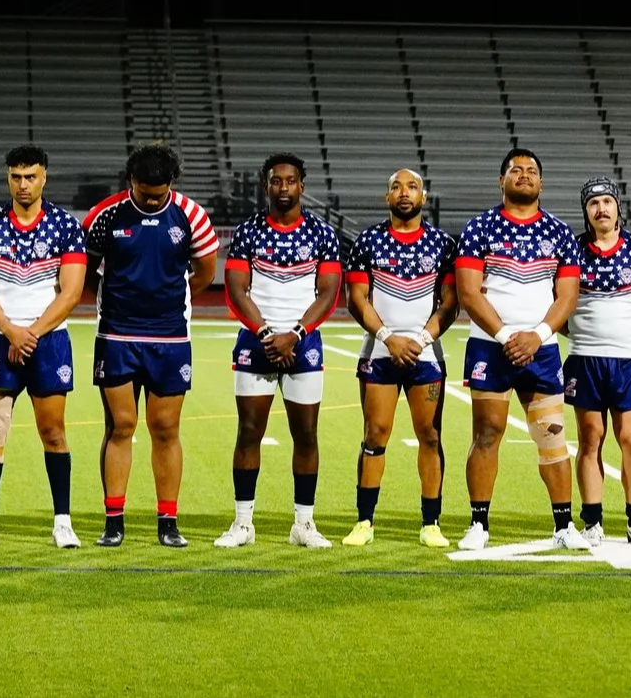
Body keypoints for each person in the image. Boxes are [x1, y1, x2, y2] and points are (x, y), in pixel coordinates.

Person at [82, 142, 220, 547]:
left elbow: (204, 271)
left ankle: (168, 522)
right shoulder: (106, 215)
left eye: (159, 194)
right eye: (145, 193)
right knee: (121, 426)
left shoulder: (190, 215)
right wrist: (118, 300)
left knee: (165, 428)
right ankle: (114, 521)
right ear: (131, 182)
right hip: (117, 335)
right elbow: (86, 272)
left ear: (171, 185)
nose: (152, 199)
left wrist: (168, 300)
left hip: (170, 337)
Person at [453, 148, 585, 551]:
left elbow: (567, 295)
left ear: (541, 183)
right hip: (491, 346)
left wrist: (539, 334)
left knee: (551, 435)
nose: (524, 176)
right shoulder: (480, 228)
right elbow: (468, 293)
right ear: (501, 181)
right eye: (515, 170)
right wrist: (509, 335)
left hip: (541, 349)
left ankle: (564, 526)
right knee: (488, 433)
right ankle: (479, 524)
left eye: (531, 171)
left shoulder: (560, 232)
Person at [215, 153, 345, 549]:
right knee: (249, 431)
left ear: (302, 186)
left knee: (305, 434)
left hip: (303, 344)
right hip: (258, 342)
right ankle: (243, 524)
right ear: (266, 185)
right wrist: (269, 333)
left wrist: (297, 334)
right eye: (276, 181)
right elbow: (236, 289)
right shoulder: (249, 231)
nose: (283, 187)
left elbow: (329, 293)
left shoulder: (322, 233)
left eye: (290, 181)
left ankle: (303, 524)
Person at [0, 145, 87, 548]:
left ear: (44, 177)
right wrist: (11, 331)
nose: (23, 184)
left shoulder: (65, 227)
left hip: (48, 339)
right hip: (0, 337)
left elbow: (71, 293)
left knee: (53, 431)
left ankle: (62, 521)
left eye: (30, 176)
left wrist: (29, 333)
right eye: (16, 177)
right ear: (7, 178)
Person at [340, 169, 459, 548]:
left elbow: (451, 302)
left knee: (430, 435)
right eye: (396, 187)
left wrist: (422, 339)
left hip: (426, 355)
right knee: (375, 435)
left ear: (424, 197)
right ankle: (364, 521)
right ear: (385, 197)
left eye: (412, 187)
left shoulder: (443, 244)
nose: (404, 193)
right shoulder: (368, 241)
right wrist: (389, 338)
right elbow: (356, 299)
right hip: (379, 351)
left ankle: (431, 523)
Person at [564, 177, 631, 545]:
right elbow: (557, 303)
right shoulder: (572, 251)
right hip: (585, 359)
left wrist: (627, 334)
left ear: (618, 206)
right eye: (594, 204)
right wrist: (583, 333)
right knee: (590, 440)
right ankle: (592, 520)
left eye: (607, 201)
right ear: (586, 211)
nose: (601, 209)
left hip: (629, 361)